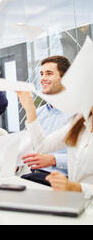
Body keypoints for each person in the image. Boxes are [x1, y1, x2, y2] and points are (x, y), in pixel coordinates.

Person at [17, 89, 93, 194]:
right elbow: (42, 146)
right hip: (74, 201)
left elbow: (77, 186)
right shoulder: (79, 122)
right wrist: (30, 109)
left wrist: (77, 187)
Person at [21, 56, 73, 186]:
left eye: (49, 74)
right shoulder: (38, 113)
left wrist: (54, 160)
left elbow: (86, 158)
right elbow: (31, 147)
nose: (43, 78)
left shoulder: (77, 115)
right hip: (35, 176)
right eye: (42, 74)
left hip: (65, 180)